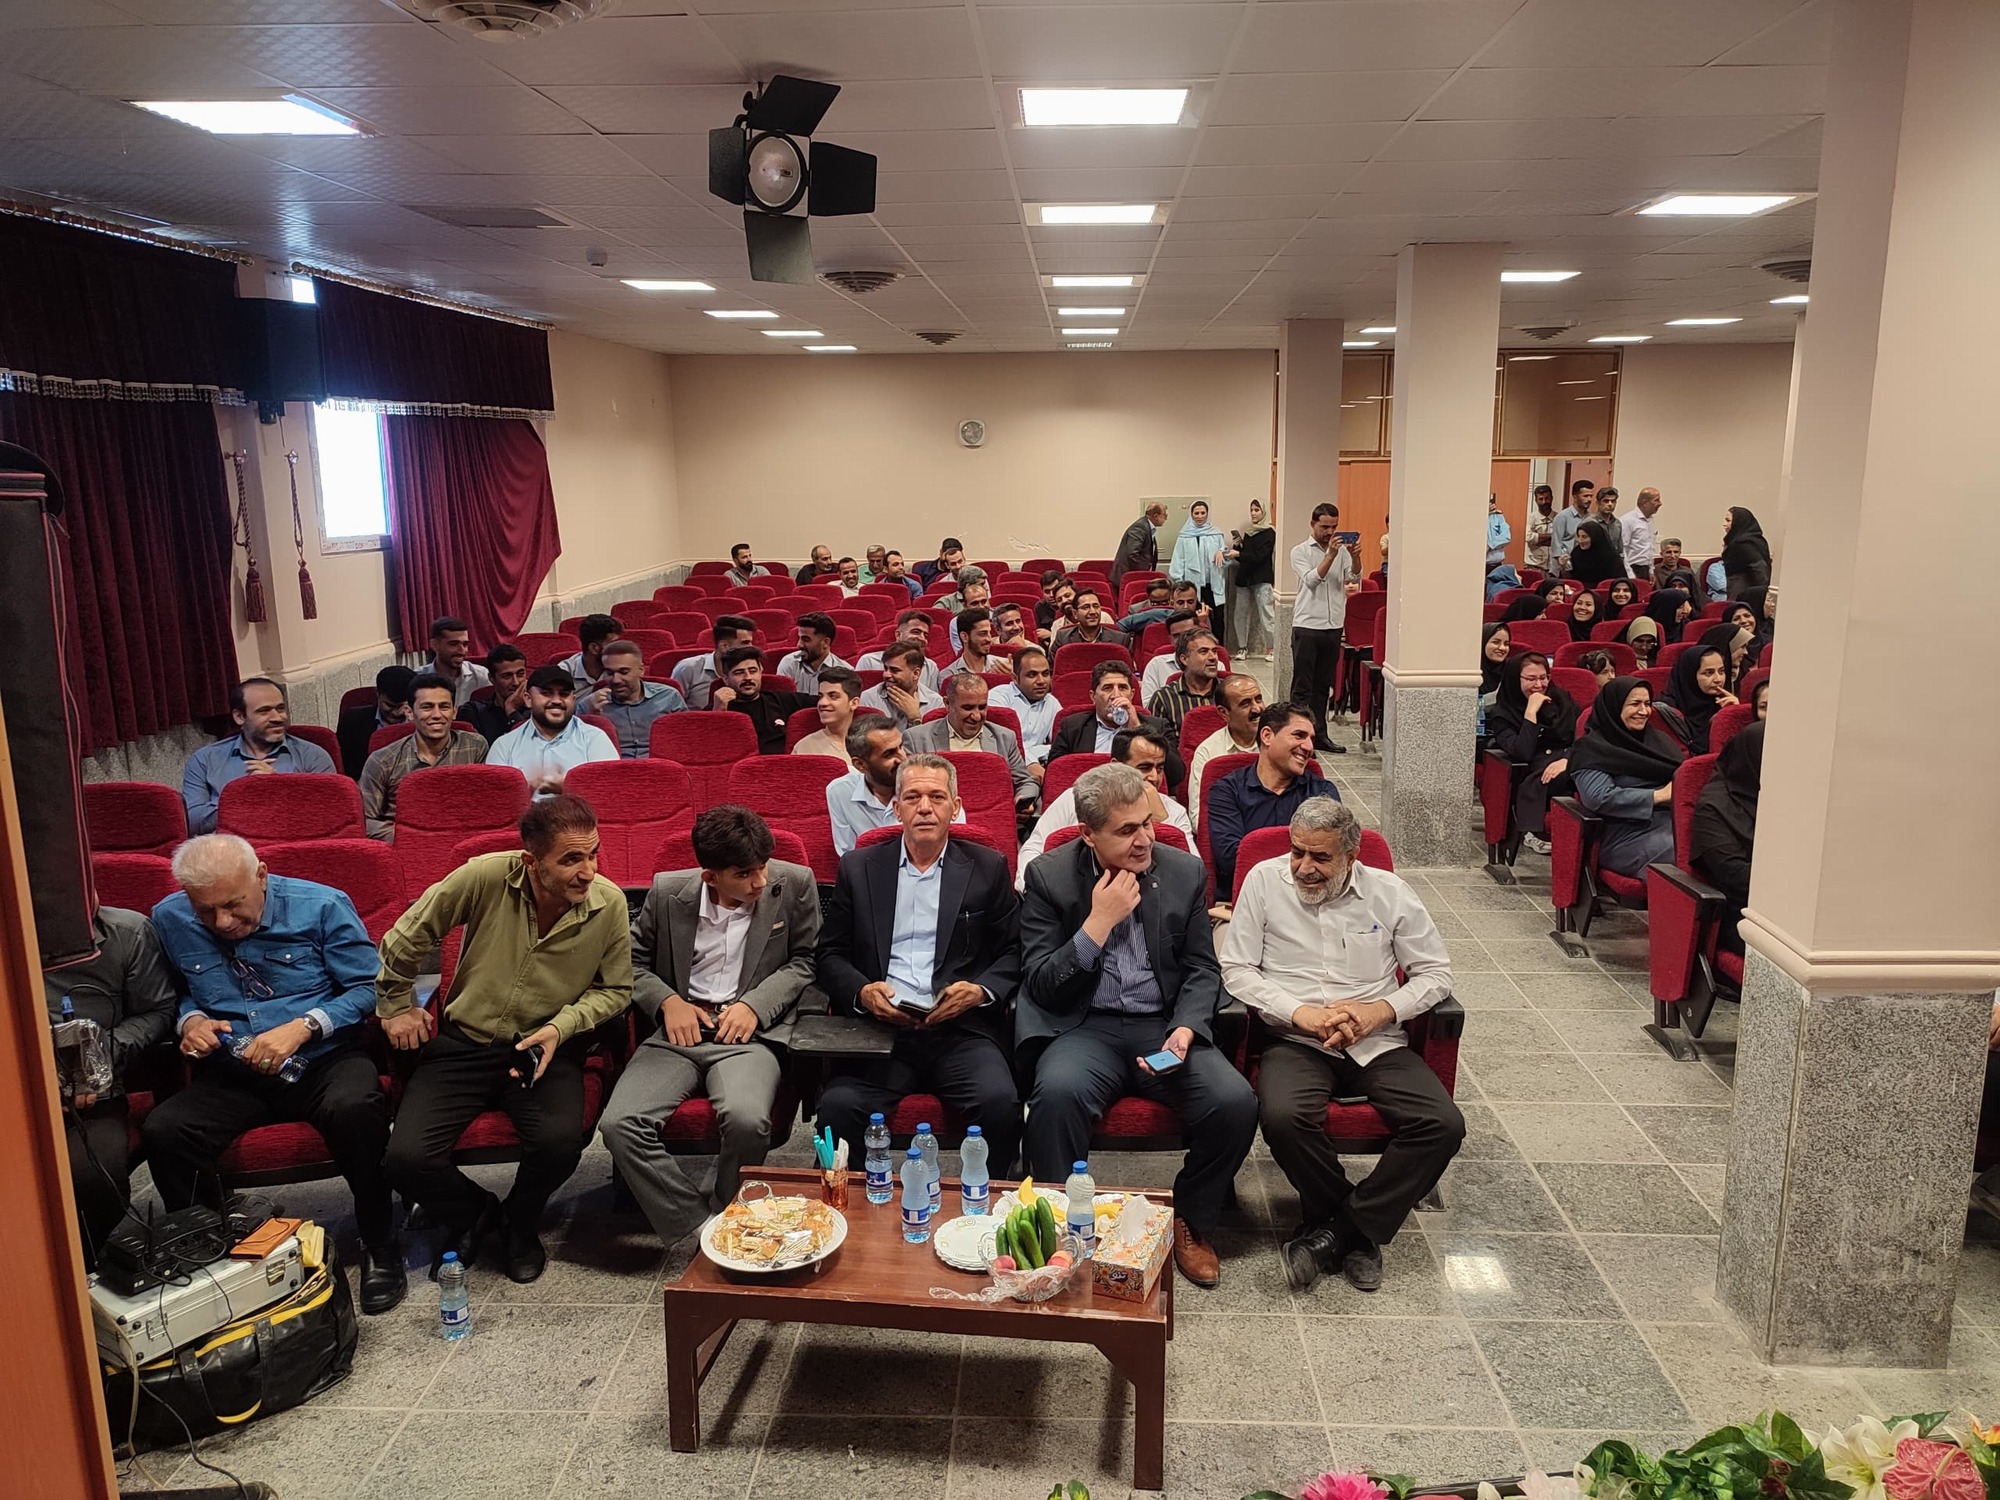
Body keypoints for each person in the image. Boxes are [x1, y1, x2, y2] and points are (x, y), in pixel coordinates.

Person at [1017, 762, 1256, 1289]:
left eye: (1147, 822)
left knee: (1235, 1103)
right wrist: (1097, 923)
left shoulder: (1184, 871)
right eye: (1126, 830)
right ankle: (1061, 1231)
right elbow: (1041, 983)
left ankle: (1191, 1218)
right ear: (1088, 834)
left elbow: (1201, 968)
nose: (1145, 838)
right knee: (1056, 1097)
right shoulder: (1049, 876)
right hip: (1085, 1027)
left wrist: (1187, 1027)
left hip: (1162, 1024)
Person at [376, 795, 630, 1282]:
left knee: (560, 1144)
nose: (588, 871)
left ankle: (519, 1222)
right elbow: (407, 936)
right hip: (464, 1041)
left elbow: (616, 990)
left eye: (593, 854)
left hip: (544, 1046)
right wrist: (395, 1004)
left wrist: (561, 1027)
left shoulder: (609, 903)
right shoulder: (485, 875)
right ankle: (475, 1213)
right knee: (405, 1160)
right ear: (532, 861)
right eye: (571, 859)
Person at [146, 834, 403, 1312]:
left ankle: (380, 1241)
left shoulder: (321, 906)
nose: (222, 923)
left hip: (324, 1058)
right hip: (234, 1067)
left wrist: (304, 1026)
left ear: (261, 875)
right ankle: (213, 1257)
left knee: (354, 1109)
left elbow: (370, 987)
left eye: (233, 905)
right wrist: (191, 1021)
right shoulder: (168, 917)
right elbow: (173, 993)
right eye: (206, 911)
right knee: (166, 1131)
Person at [1220, 798, 1459, 1294]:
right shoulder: (1264, 882)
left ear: (1352, 856)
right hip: (1296, 1038)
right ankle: (1355, 1230)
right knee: (1283, 1117)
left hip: (1376, 1039)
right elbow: (1237, 969)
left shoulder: (1390, 892)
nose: (1304, 867)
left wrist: (1380, 1011)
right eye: (1297, 852)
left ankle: (1335, 1232)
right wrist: (1299, 1013)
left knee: (1443, 1125)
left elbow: (1435, 974)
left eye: (1320, 857)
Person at [599, 806, 816, 1245]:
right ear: (710, 877)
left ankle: (729, 1207)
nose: (760, 881)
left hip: (749, 1035)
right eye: (744, 874)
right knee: (619, 1125)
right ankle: (699, 1225)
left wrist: (755, 1005)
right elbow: (629, 964)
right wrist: (667, 1002)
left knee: (747, 1119)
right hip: (678, 1033)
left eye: (763, 867)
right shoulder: (667, 892)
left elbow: (806, 960)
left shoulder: (794, 883)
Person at [814, 755, 1022, 1170]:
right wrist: (862, 992)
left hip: (960, 1028)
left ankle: (988, 1203)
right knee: (838, 1107)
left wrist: (979, 991)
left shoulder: (988, 867)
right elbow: (829, 953)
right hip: (881, 1029)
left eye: (936, 797)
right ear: (896, 808)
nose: (924, 807)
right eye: (912, 797)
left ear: (955, 807)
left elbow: (1013, 952)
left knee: (1000, 1103)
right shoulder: (858, 867)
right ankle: (853, 1205)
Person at [41, 905, 176, 1266]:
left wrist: (93, 1057)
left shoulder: (127, 932)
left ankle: (73, 1273)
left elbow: (158, 1011)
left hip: (89, 1099)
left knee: (93, 1180)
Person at [1017, 726, 1190, 881]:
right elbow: (1034, 848)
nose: (1154, 777)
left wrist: (1162, 820)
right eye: (1144, 768)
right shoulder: (1075, 798)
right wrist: (1036, 891)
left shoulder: (1175, 811)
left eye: (1159, 769)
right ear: (1116, 766)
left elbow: (1189, 868)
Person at [1205, 704, 1341, 898]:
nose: (1309, 747)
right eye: (1299, 735)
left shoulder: (1322, 792)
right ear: (1267, 736)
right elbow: (1230, 859)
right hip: (1244, 897)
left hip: (1307, 898)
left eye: (1311, 739)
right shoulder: (1227, 791)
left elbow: (1330, 855)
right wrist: (1302, 859)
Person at [181, 677, 338, 835]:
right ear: (239, 717)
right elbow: (192, 822)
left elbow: (330, 815)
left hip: (291, 842)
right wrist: (244, 799)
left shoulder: (313, 757)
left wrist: (279, 789)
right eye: (264, 711)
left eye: (280, 709)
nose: (278, 718)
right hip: (228, 847)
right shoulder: (204, 760)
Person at [1566, 677, 1684, 877]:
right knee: (1679, 851)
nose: (1644, 711)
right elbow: (1598, 797)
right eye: (1635, 704)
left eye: (1647, 703)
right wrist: (1657, 796)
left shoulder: (1660, 741)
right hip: (1624, 835)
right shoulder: (1591, 749)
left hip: (1673, 822)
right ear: (1615, 707)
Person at [359, 672, 488, 839]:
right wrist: (414, 837)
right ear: (409, 712)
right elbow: (365, 821)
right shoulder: (382, 760)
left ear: (454, 711)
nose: (437, 715)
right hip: (405, 846)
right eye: (427, 707)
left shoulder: (475, 746)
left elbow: (485, 806)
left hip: (462, 839)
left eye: (444, 707)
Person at [1484, 653, 1578, 855]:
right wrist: (1531, 713)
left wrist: (1567, 759)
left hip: (1569, 761)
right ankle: (1534, 832)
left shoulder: (1562, 699)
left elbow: (1584, 737)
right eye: (1531, 679)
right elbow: (1522, 752)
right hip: (1533, 770)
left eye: (1543, 678)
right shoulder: (1502, 714)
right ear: (1515, 679)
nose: (1539, 685)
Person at [902, 672, 1040, 805]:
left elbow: (1026, 782)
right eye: (968, 708)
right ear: (947, 704)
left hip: (991, 814)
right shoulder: (916, 739)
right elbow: (906, 788)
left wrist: (1022, 799)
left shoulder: (1005, 738)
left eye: (982, 707)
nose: (976, 716)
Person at [1289, 502, 1360, 754]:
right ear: (1313, 524)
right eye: (1324, 527)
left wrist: (1355, 556)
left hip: (1333, 626)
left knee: (1323, 685)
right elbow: (1312, 580)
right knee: (1302, 687)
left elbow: (1353, 578)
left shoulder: (1342, 552)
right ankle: (1298, 738)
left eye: (1334, 527)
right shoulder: (1300, 551)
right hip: (1307, 625)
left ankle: (1319, 735)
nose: (1329, 532)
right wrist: (1330, 555)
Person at [1048, 661, 1186, 789]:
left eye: (1123, 688)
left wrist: (1138, 729)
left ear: (1132, 695)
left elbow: (1176, 776)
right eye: (1107, 688)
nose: (1116, 695)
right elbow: (1055, 775)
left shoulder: (1158, 726)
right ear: (1093, 696)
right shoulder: (1072, 727)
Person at [1689, 720, 1764, 955]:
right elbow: (1732, 873)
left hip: (1790, 903)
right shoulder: (1713, 807)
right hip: (1741, 912)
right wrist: (1792, 887)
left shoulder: (1786, 796)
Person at [485, 665, 617, 796]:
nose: (556, 701)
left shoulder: (595, 739)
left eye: (564, 694)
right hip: (525, 810)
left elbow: (610, 794)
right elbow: (495, 799)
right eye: (546, 693)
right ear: (528, 699)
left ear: (573, 700)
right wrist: (524, 791)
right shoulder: (504, 746)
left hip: (578, 810)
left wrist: (569, 787)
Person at [576, 639, 687, 757]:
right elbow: (579, 748)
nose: (616, 680)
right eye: (610, 673)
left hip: (661, 763)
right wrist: (592, 717)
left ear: (641, 670)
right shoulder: (590, 705)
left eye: (624, 672)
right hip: (613, 764)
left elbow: (686, 739)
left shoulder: (669, 697)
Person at [1187, 674, 1263, 831]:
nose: (1257, 708)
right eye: (1245, 703)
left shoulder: (1278, 745)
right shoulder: (1208, 752)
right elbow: (1198, 819)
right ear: (1224, 713)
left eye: (1259, 699)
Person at [711, 645, 817, 756]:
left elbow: (824, 703)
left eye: (753, 671)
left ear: (761, 672)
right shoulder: (718, 707)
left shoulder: (781, 700)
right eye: (739, 673)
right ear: (726, 679)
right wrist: (718, 712)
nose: (748, 677)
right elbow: (710, 749)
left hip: (777, 763)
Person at [1652, 641, 1738, 756]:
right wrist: (1713, 724)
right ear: (1690, 675)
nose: (1718, 679)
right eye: (1709, 673)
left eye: (1721, 671)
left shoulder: (1723, 702)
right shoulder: (1667, 710)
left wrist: (1733, 715)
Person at [337, 664, 415, 778]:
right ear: (377, 694)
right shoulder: (353, 720)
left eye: (401, 706)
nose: (395, 713)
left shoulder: (422, 723)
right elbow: (346, 766)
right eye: (389, 705)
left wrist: (414, 725)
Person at [1169, 500, 1229, 648]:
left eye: (1203, 513)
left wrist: (1223, 553)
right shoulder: (1184, 536)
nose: (1200, 516)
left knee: (1217, 619)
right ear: (1191, 515)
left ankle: (1219, 649)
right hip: (1193, 588)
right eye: (1196, 513)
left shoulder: (1215, 534)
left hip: (1213, 585)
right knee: (1194, 619)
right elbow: (1178, 561)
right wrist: (1179, 583)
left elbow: (1225, 559)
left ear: (1207, 514)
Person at [1147, 628, 1224, 737]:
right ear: (1184, 659)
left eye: (1215, 651)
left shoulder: (1230, 693)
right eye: (1203, 652)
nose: (1213, 657)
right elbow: (1156, 743)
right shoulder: (1163, 698)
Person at [672, 614, 757, 709]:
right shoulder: (687, 669)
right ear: (724, 646)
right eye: (745, 643)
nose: (751, 647)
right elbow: (672, 710)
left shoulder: (753, 670)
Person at [858, 640, 944, 729]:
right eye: (886, 668)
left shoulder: (936, 704)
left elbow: (935, 738)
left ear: (916, 674)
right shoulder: (867, 699)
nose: (886, 674)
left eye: (895, 670)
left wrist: (915, 719)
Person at [858, 609, 944, 692]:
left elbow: (932, 698)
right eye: (916, 632)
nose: (922, 638)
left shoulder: (931, 667)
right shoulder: (869, 661)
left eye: (925, 635)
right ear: (898, 635)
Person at [1233, 498, 1277, 660]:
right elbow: (1244, 557)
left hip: (1262, 578)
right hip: (1244, 578)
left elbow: (1260, 557)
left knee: (1267, 614)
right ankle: (1242, 648)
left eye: (1257, 510)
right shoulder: (1249, 532)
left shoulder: (1269, 532)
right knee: (1240, 614)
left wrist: (1240, 554)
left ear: (1263, 512)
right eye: (1251, 510)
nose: (1253, 513)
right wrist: (1237, 547)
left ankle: (1272, 648)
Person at [463, 644, 530, 743]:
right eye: (507, 676)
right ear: (491, 678)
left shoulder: (536, 711)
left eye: (520, 674)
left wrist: (512, 712)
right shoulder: (473, 711)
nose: (516, 682)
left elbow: (530, 746)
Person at [792, 667, 864, 760]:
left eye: (833, 696)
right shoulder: (804, 748)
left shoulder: (872, 745)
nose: (822, 703)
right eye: (820, 696)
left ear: (854, 703)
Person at [775, 612, 850, 696]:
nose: (799, 645)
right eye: (799, 638)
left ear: (825, 642)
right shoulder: (789, 663)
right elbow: (782, 701)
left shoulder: (845, 672)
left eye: (806, 640)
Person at [426, 616, 491, 707]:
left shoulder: (481, 677)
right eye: (454, 644)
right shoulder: (417, 677)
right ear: (435, 645)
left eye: (465, 644)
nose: (462, 650)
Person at [1139, 610, 1204, 701]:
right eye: (1176, 636)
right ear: (1170, 640)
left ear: (1200, 635)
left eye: (1188, 634)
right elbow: (1148, 705)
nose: (1182, 640)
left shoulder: (1215, 665)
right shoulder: (1156, 665)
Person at [558, 613, 623, 697]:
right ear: (594, 648)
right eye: (613, 644)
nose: (619, 649)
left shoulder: (621, 669)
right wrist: (587, 703)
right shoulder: (563, 673)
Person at [1050, 588, 1130, 653]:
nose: (1093, 612)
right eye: (1086, 607)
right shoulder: (1063, 638)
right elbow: (1053, 666)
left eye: (1096, 606)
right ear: (1075, 614)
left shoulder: (1120, 640)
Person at [1720, 506, 1773, 600]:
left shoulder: (1742, 543)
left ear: (1738, 522)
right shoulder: (1755, 540)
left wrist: (1763, 595)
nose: (1724, 524)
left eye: (1728, 520)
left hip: (1744, 596)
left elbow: (1760, 570)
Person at [1112, 502, 1166, 589]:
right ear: (1156, 516)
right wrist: (1144, 572)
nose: (1166, 518)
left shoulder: (1147, 527)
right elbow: (1132, 553)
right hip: (1130, 577)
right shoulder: (1140, 527)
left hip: (1135, 576)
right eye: (1164, 515)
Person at [939, 606, 998, 680]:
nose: (989, 639)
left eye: (989, 633)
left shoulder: (1003, 666)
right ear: (964, 637)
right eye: (982, 634)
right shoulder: (949, 676)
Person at [1565, 520, 1626, 588]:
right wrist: (1564, 566)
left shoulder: (1609, 555)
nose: (1580, 541)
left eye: (1584, 537)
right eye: (1579, 536)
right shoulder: (1576, 553)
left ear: (1595, 537)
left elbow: (1620, 582)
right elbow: (1571, 580)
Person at [1550, 480, 1594, 573]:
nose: (1589, 499)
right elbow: (1556, 546)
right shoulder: (1562, 517)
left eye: (1591, 496)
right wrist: (1565, 566)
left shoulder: (1591, 518)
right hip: (1564, 568)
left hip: (1583, 566)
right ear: (1575, 497)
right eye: (1586, 496)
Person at [1621, 487, 1663, 576]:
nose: (1660, 503)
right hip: (1632, 569)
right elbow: (1622, 549)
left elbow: (1649, 547)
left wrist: (1651, 570)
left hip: (1645, 569)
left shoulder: (1650, 520)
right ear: (1644, 503)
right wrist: (1630, 574)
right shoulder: (1628, 520)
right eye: (1656, 500)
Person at [1477, 624, 1511, 735]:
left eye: (1506, 644)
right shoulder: (1470, 671)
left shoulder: (1513, 669)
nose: (1502, 648)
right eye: (1496, 642)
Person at [1484, 493, 1516, 600]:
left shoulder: (1498, 516)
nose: (1491, 505)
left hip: (1495, 566)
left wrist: (1490, 545)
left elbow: (1506, 536)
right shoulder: (1473, 517)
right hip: (1478, 566)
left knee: (1494, 595)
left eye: (1492, 502)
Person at [1524, 484, 1556, 572]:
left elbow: (1560, 539)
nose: (1544, 502)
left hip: (1553, 567)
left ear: (1552, 498)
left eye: (1547, 498)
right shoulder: (1531, 518)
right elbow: (1528, 537)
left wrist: (1538, 539)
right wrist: (1551, 536)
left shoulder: (1558, 517)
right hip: (1534, 565)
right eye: (1541, 499)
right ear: (1536, 500)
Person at [1592, 485, 1625, 560]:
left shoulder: (1617, 524)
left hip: (1613, 564)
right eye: (1606, 501)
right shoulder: (1589, 523)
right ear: (1598, 503)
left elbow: (1620, 551)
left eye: (1613, 501)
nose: (1610, 504)